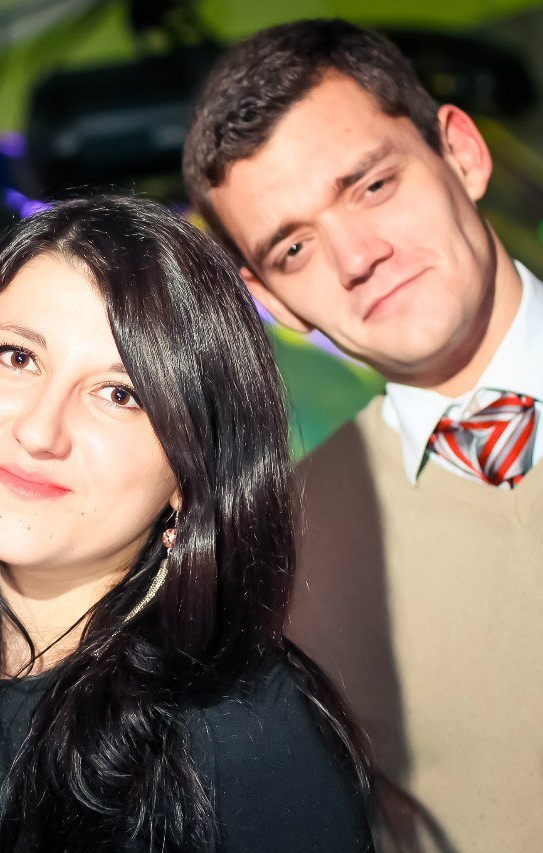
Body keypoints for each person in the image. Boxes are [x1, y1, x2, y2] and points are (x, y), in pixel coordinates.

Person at [0, 195, 372, 853]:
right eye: (17, 357)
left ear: (190, 474)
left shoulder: (242, 738)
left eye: (120, 394)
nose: (40, 431)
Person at [182, 19, 542, 850]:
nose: (356, 256)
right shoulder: (281, 558)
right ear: (270, 300)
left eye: (372, 186)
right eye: (294, 246)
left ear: (462, 153)